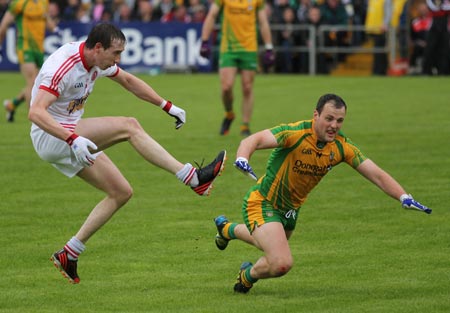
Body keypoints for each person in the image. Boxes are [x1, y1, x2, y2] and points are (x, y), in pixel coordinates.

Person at [28, 23, 226, 284]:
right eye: (115, 53)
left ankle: (70, 253)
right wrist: (73, 139)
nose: (118, 60)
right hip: (52, 135)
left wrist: (166, 105)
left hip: (69, 136)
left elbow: (128, 81)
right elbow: (36, 112)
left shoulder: (97, 60)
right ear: (98, 48)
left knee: (121, 192)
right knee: (129, 126)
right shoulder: (62, 66)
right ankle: (192, 178)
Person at [212, 93, 432, 294]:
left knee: (269, 250)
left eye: (339, 121)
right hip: (263, 202)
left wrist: (403, 196)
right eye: (329, 118)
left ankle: (230, 236)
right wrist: (243, 157)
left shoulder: (341, 147)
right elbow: (253, 140)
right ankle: (246, 274)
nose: (334, 125)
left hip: (290, 211)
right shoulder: (296, 133)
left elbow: (376, 174)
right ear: (316, 115)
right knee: (281, 262)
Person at [199, 0, 275, 136]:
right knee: (226, 87)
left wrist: (269, 47)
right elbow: (211, 15)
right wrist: (205, 40)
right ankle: (229, 113)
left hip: (249, 47)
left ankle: (245, 125)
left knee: (247, 87)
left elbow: (263, 22)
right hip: (229, 48)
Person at [0, 0, 57, 122]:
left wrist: (50, 22)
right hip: (25, 47)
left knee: (37, 83)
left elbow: (50, 26)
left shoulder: (44, 2)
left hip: (39, 49)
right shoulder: (19, 3)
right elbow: (4, 25)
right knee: (31, 82)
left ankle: (12, 105)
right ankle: (35, 120)